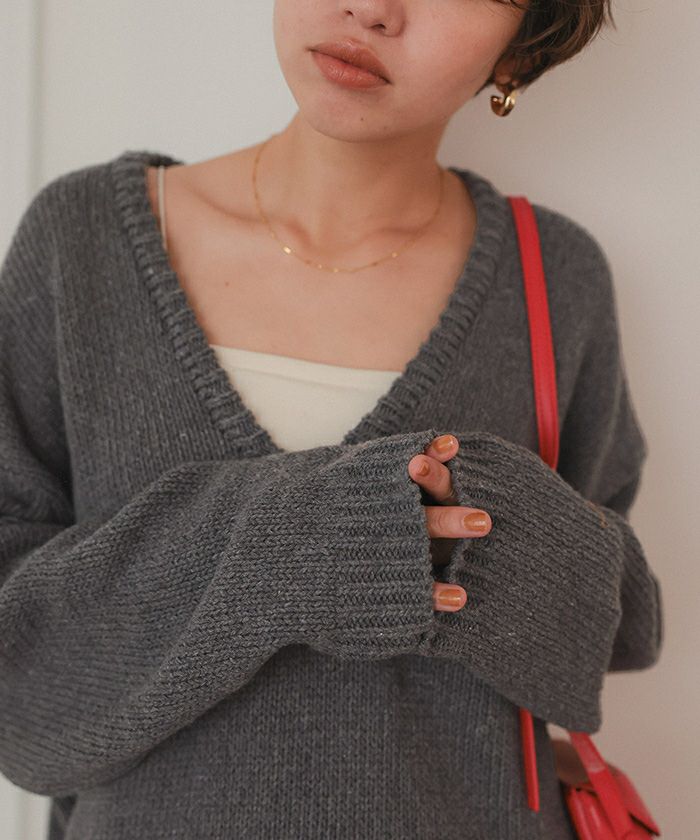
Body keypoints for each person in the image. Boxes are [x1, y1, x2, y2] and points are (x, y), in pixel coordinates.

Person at [0, 1, 663, 838]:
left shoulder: (556, 280)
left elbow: (618, 630)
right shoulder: (82, 241)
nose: (373, 9)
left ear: (519, 53)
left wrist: (492, 528)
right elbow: (19, 691)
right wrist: (292, 539)